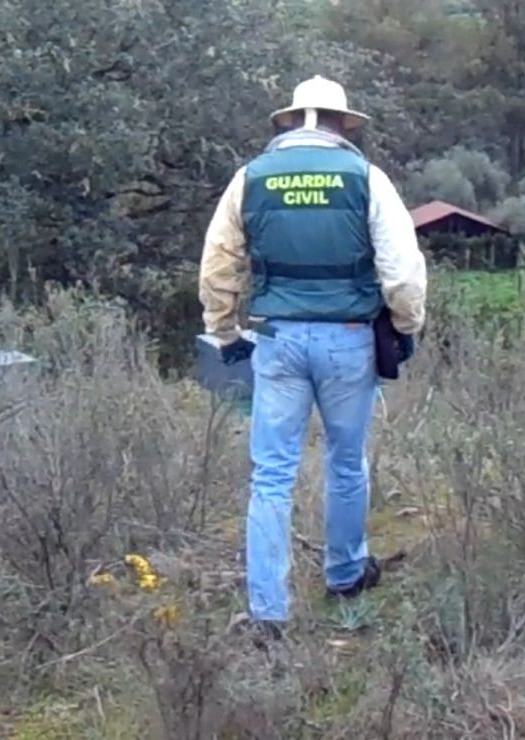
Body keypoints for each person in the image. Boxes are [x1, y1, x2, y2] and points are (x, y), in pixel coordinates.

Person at [198, 75, 427, 638]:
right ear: (342, 124)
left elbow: (219, 262)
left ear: (292, 120)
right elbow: (401, 268)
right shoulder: (366, 178)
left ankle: (267, 614)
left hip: (277, 339)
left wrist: (223, 331)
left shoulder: (248, 179)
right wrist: (406, 326)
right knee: (348, 461)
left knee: (271, 476)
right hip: (350, 338)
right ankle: (347, 574)